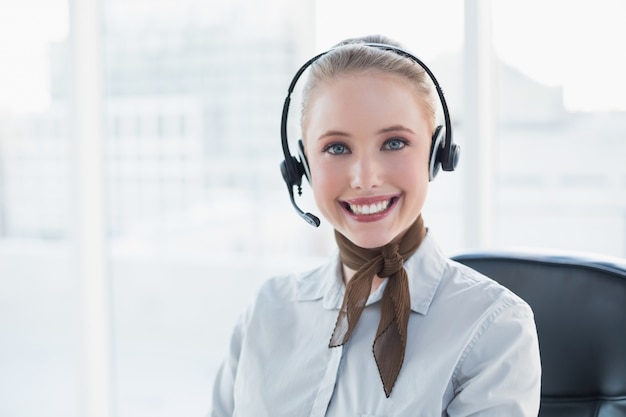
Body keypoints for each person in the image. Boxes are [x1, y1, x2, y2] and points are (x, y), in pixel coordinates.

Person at [211, 34, 541, 417]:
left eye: (394, 143)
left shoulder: (495, 327)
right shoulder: (267, 312)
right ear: (303, 165)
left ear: (436, 154)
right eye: (336, 148)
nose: (365, 178)